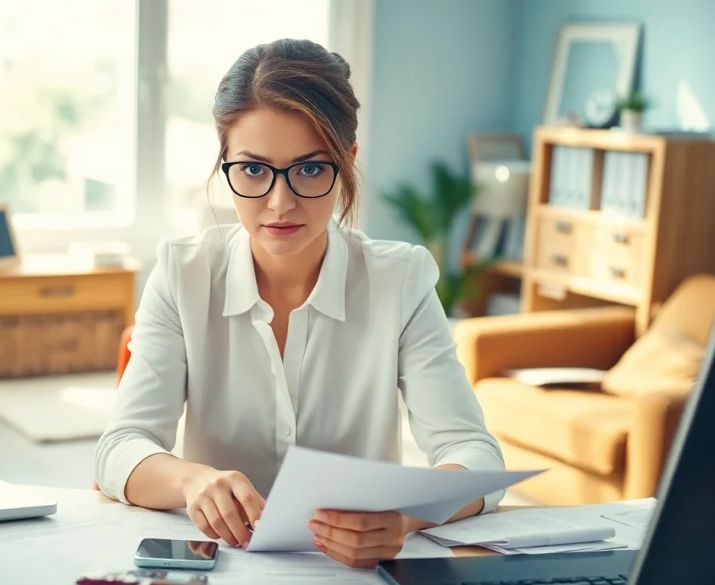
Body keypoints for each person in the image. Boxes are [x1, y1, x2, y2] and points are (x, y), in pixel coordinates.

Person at [94, 38, 505, 568]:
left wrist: (403, 514)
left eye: (310, 169)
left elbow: (474, 453)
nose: (279, 202)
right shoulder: (182, 272)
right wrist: (192, 480)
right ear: (225, 164)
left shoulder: (399, 279)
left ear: (347, 162)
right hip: (218, 566)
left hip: (350, 573)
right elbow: (119, 447)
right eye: (252, 169)